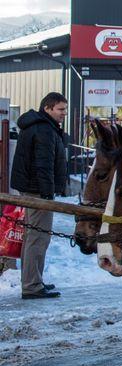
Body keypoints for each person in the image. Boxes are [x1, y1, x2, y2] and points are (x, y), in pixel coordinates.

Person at [10, 92, 69, 299]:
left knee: (32, 236)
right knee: (38, 236)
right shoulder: (44, 129)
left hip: (32, 188)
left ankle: (33, 281)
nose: (64, 113)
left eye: (65, 109)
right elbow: (43, 165)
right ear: (48, 108)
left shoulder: (40, 126)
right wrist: (47, 194)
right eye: (61, 109)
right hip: (38, 191)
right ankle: (32, 285)